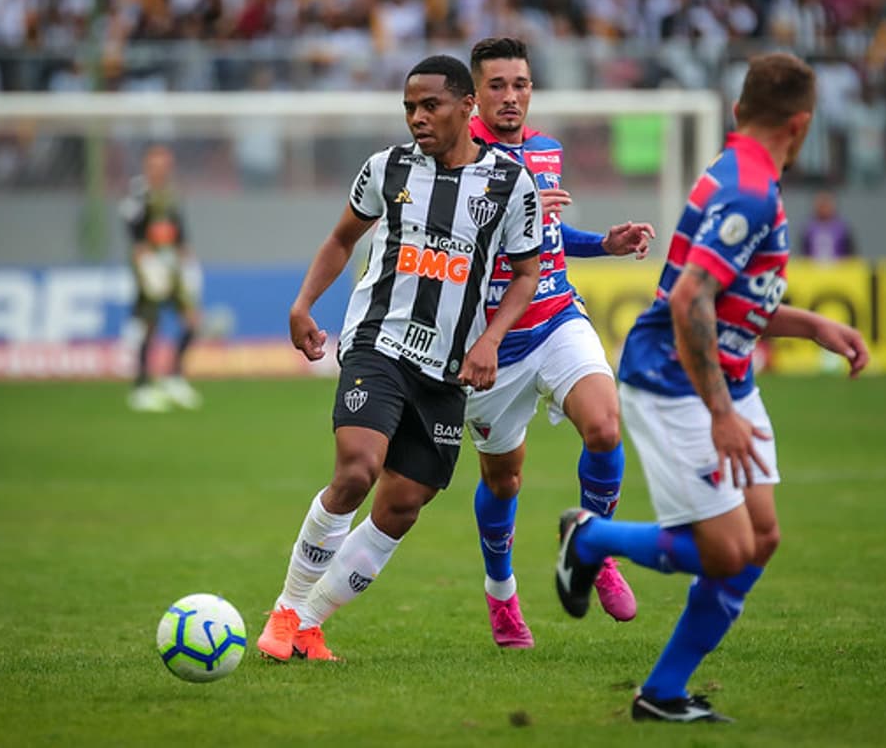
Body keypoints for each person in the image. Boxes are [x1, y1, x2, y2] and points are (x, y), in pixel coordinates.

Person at [553, 53, 870, 723]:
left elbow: (724, 298)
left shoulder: (740, 174)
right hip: (676, 381)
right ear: (803, 123)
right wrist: (720, 412)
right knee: (725, 551)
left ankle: (662, 694)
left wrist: (810, 326)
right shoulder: (748, 190)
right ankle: (589, 540)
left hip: (723, 375)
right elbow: (690, 300)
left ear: (737, 112)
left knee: (760, 539)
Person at [255, 54, 543, 662]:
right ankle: (284, 610)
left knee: (402, 505)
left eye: (429, 105)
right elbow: (341, 238)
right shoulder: (385, 169)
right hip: (377, 342)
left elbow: (525, 272)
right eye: (409, 107)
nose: (417, 117)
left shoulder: (511, 182)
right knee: (358, 468)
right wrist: (304, 303)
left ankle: (308, 621)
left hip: (448, 369)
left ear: (467, 107)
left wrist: (489, 340)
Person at [463, 37, 657, 649]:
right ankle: (502, 598)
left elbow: (546, 232)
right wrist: (508, 214)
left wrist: (605, 243)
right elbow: (444, 247)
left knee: (605, 426)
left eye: (520, 84)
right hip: (489, 345)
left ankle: (594, 549)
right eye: (497, 86)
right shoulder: (457, 158)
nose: (511, 97)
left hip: (555, 318)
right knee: (503, 482)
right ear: (475, 95)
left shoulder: (545, 150)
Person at [120, 144, 204, 412]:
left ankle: (174, 377)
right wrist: (145, 263)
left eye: (165, 164)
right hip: (150, 266)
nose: (162, 169)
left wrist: (189, 264)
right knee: (149, 325)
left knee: (191, 319)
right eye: (156, 164)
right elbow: (134, 235)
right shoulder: (138, 194)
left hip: (173, 265)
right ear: (147, 166)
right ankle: (142, 386)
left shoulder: (171, 196)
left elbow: (180, 234)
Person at [800, 191, 858, 262]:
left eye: (826, 204)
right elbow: (804, 254)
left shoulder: (842, 228)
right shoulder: (808, 228)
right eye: (821, 205)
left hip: (839, 270)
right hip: (813, 270)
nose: (824, 208)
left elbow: (851, 254)